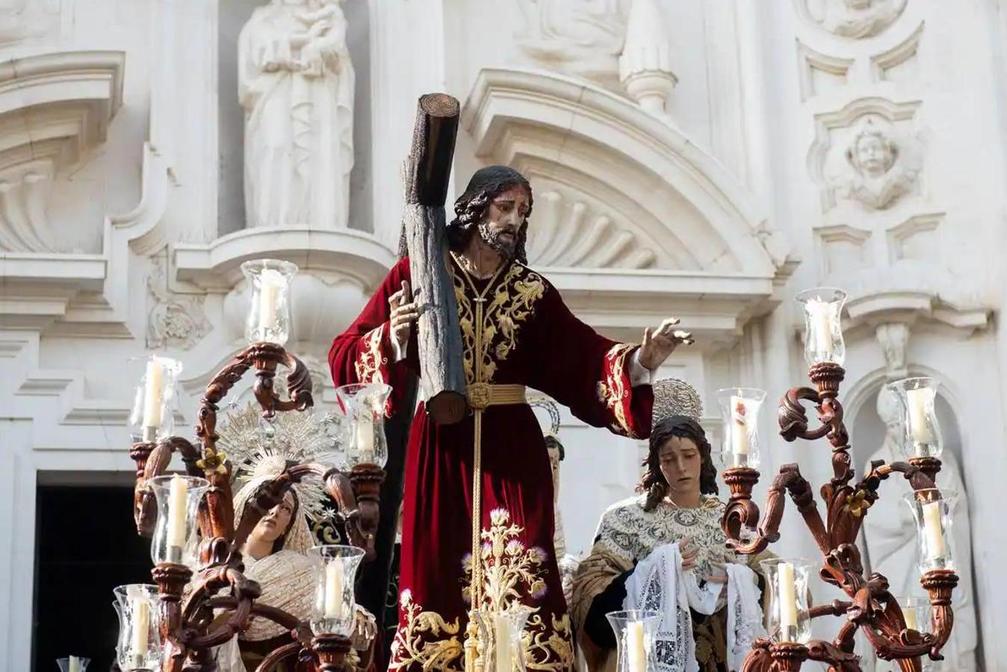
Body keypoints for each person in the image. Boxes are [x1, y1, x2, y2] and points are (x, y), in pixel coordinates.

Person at [328, 165, 692, 671]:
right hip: (441, 445)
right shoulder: (421, 272)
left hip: (513, 449)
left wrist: (642, 361)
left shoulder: (532, 293)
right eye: (505, 208)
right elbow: (344, 352)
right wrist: (392, 339)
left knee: (526, 575)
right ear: (476, 209)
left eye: (522, 212)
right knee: (435, 573)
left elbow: (583, 359)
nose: (514, 221)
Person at [571, 379, 769, 672]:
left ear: (703, 455)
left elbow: (779, 584)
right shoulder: (625, 520)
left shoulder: (733, 520)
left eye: (688, 456)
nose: (681, 467)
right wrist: (651, 571)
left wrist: (744, 582)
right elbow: (590, 605)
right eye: (668, 459)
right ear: (656, 465)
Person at [212, 405, 377, 671]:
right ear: (246, 507)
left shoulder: (304, 574)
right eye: (267, 502)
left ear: (291, 523)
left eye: (286, 508)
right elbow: (195, 626)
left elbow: (343, 635)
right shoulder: (217, 569)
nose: (275, 511)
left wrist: (353, 618)